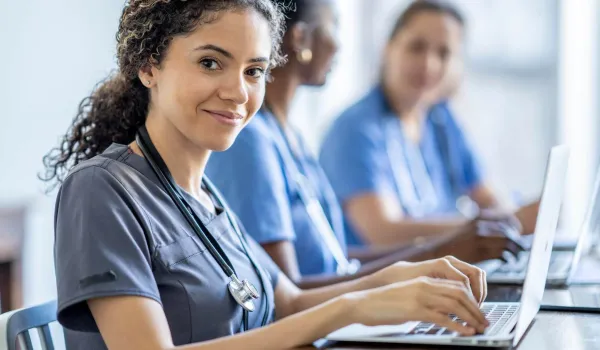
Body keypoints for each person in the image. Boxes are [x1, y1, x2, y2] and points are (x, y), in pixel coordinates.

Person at [42, 1, 491, 349]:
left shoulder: (203, 195)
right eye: (210, 63)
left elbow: (288, 301)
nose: (239, 92)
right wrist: (355, 306)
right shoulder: (101, 190)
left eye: (254, 70)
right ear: (148, 65)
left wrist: (400, 279)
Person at [205, 0, 522, 289]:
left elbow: (338, 260)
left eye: (444, 53)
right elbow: (286, 296)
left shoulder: (290, 136)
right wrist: (443, 250)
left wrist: (441, 256)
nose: (338, 45)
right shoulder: (252, 141)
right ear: (301, 39)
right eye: (333, 27)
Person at [319, 0, 539, 249]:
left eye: (443, 54)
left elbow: (489, 199)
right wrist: (497, 224)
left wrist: (515, 218)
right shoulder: (355, 130)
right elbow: (382, 232)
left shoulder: (441, 120)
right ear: (388, 48)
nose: (428, 65)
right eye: (416, 47)